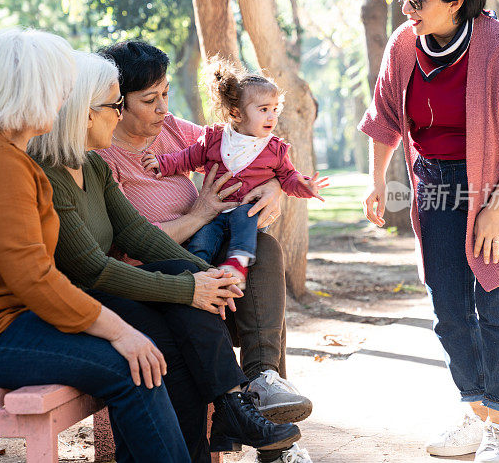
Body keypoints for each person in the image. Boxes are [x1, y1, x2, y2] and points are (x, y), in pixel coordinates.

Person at [0, 28, 189, 463]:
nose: (65, 99)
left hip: (0, 325)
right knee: (132, 366)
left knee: (140, 356)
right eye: (59, 88)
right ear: (32, 93)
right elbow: (34, 278)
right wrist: (120, 330)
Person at [26, 50, 301, 462]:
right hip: (96, 296)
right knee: (173, 331)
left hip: (140, 281)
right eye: (116, 105)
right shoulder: (74, 167)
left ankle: (249, 393)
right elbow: (96, 267)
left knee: (248, 259)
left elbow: (137, 231)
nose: (119, 115)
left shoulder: (94, 167)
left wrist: (205, 275)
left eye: (164, 95)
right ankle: (233, 408)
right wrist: (190, 281)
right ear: (83, 112)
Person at [358, 0, 499, 463]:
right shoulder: (403, 44)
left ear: (457, 0)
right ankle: (474, 412)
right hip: (435, 184)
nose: (406, 7)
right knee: (449, 308)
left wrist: (496, 208)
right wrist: (378, 180)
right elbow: (384, 118)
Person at [97, 41, 314, 463]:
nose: (164, 107)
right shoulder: (103, 157)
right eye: (150, 99)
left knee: (262, 252)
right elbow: (126, 245)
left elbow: (246, 153)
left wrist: (274, 187)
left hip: (210, 273)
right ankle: (271, 432)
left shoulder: (174, 130)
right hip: (158, 285)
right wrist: (200, 214)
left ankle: (263, 382)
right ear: (116, 105)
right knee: (253, 294)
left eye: (164, 93)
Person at [141, 58, 328, 287]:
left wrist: (305, 186)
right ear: (236, 113)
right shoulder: (214, 139)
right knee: (202, 239)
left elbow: (288, 177)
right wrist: (162, 163)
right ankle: (199, 275)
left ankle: (238, 265)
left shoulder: (274, 149)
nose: (272, 116)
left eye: (274, 109)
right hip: (214, 212)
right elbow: (188, 158)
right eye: (263, 110)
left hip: (247, 213)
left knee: (244, 216)